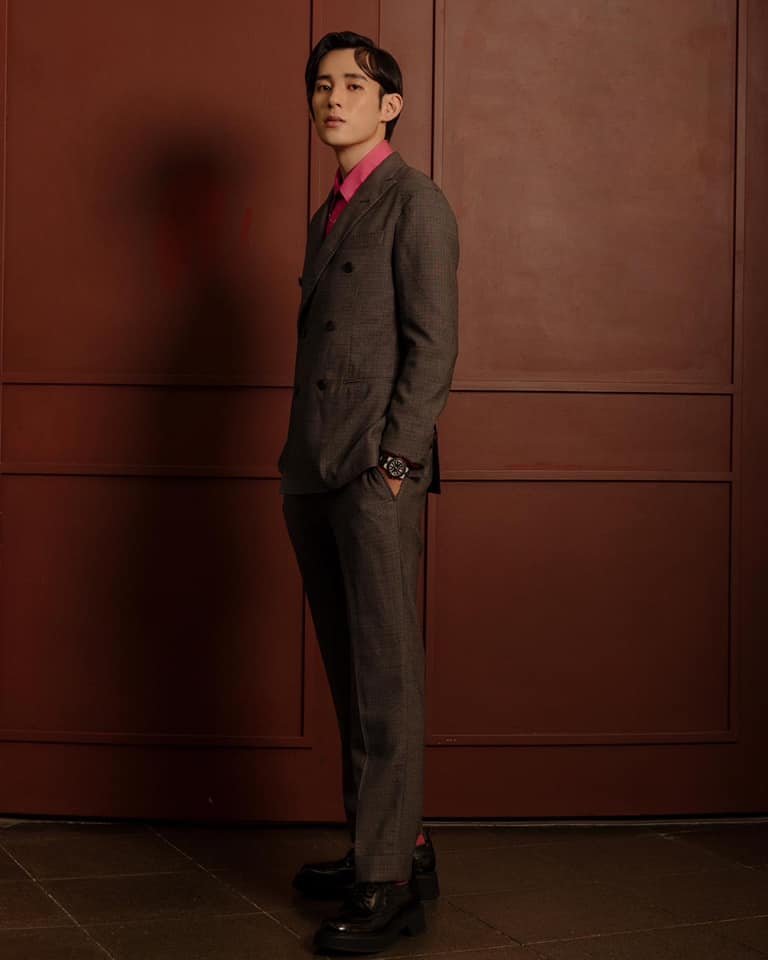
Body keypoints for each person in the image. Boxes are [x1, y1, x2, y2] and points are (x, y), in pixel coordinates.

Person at [277, 30, 459, 954]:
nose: (332, 98)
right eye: (321, 85)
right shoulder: (331, 210)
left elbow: (433, 346)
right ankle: (389, 844)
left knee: (386, 676)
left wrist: (395, 466)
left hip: (371, 475)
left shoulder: (414, 201)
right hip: (313, 469)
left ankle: (388, 883)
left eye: (352, 85)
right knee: (352, 670)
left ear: (390, 105)